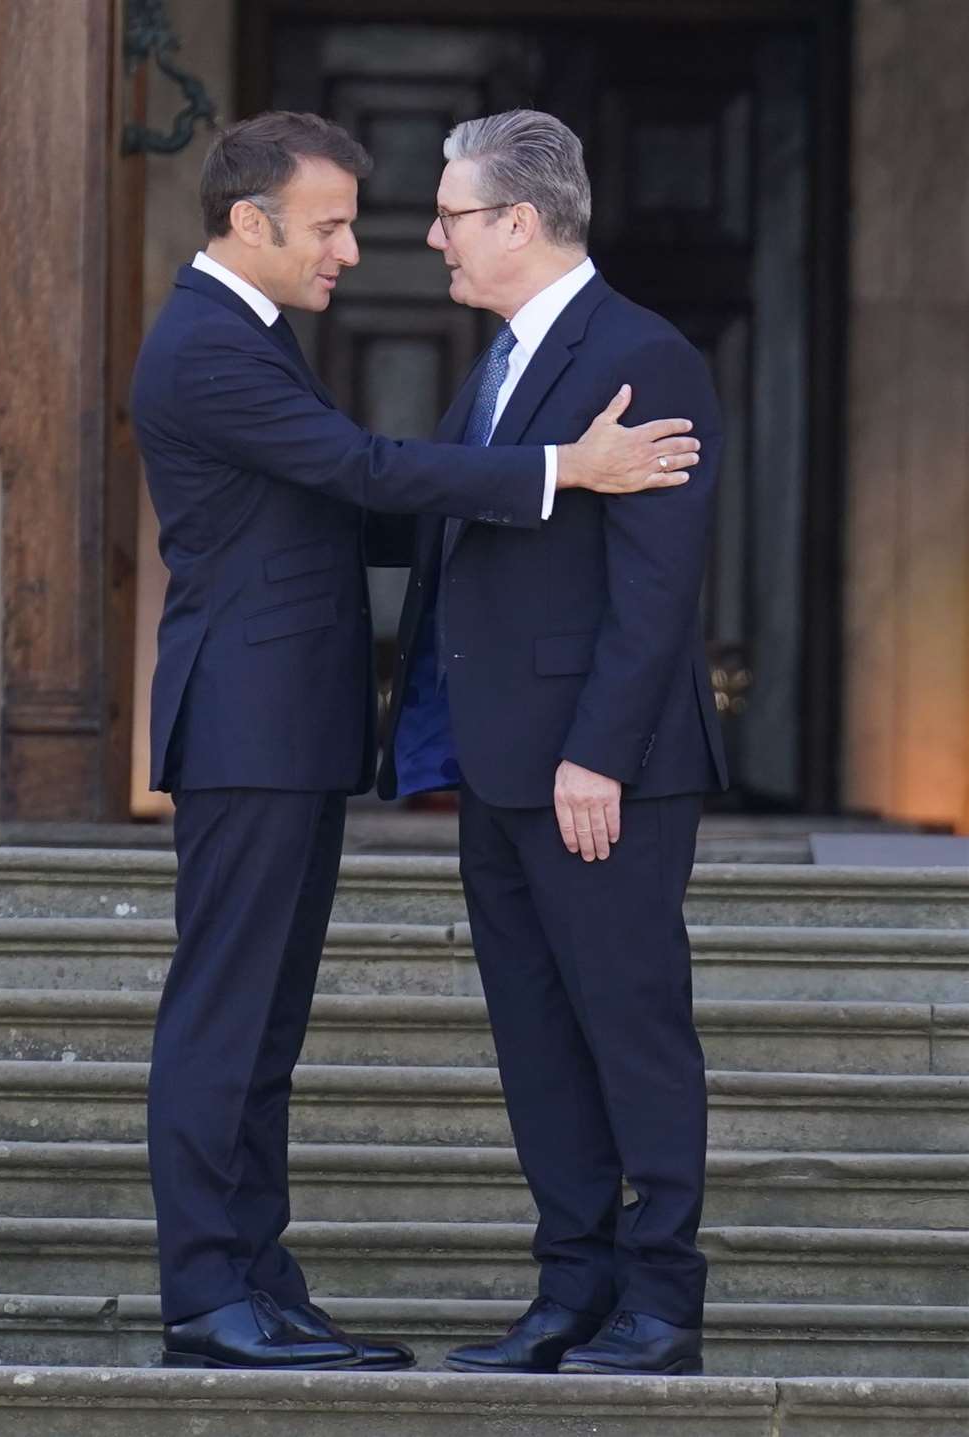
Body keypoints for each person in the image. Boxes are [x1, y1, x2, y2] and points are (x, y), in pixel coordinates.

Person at [130, 110, 700, 1373]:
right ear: (249, 222)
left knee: (262, 1027)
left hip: (298, 727)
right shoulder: (212, 346)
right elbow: (366, 470)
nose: (360, 248)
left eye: (431, 214)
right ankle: (206, 1296)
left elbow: (368, 503)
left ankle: (258, 1283)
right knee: (226, 1019)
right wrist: (563, 471)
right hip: (249, 724)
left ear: (517, 220)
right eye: (331, 225)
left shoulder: (261, 337)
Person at [379, 109, 729, 1378]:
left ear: (519, 222)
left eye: (451, 214)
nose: (431, 237)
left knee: (630, 1029)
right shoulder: (500, 363)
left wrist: (601, 754)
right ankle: (570, 1291)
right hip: (496, 763)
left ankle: (661, 1302)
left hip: (600, 773)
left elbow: (657, 583)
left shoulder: (645, 353)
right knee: (535, 1037)